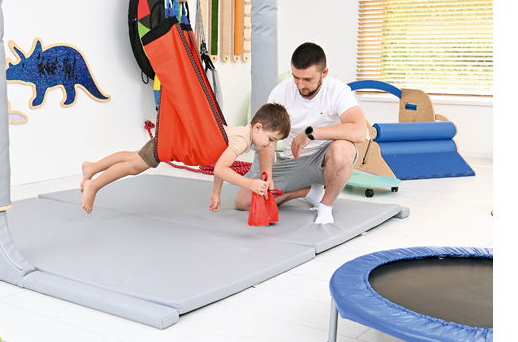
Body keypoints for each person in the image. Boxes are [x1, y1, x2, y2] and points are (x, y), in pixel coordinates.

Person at [235, 42, 368, 225]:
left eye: (307, 79)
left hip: (325, 161)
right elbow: (267, 139)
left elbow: (360, 131)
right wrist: (267, 175)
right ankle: (308, 191)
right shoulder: (281, 92)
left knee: (343, 149)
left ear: (324, 73)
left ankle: (326, 205)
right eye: (296, 77)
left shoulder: (338, 91)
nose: (300, 85)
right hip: (293, 162)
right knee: (243, 202)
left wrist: (312, 133)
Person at [79, 103, 290, 214]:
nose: (270, 145)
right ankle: (94, 185)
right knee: (135, 166)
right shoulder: (242, 140)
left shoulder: (242, 133)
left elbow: (220, 161)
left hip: (179, 137)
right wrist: (249, 183)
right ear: (258, 127)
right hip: (177, 142)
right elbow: (221, 169)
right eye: (271, 139)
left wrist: (216, 192)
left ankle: (92, 167)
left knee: (135, 157)